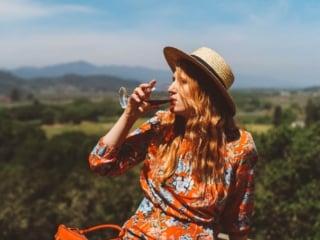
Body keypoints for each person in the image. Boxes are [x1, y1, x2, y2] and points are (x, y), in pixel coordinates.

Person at [88, 46, 258, 240]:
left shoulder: (240, 146)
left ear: (205, 93)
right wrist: (129, 115)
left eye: (183, 82)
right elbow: (100, 164)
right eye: (172, 80)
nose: (171, 89)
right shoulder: (162, 125)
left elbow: (238, 222)